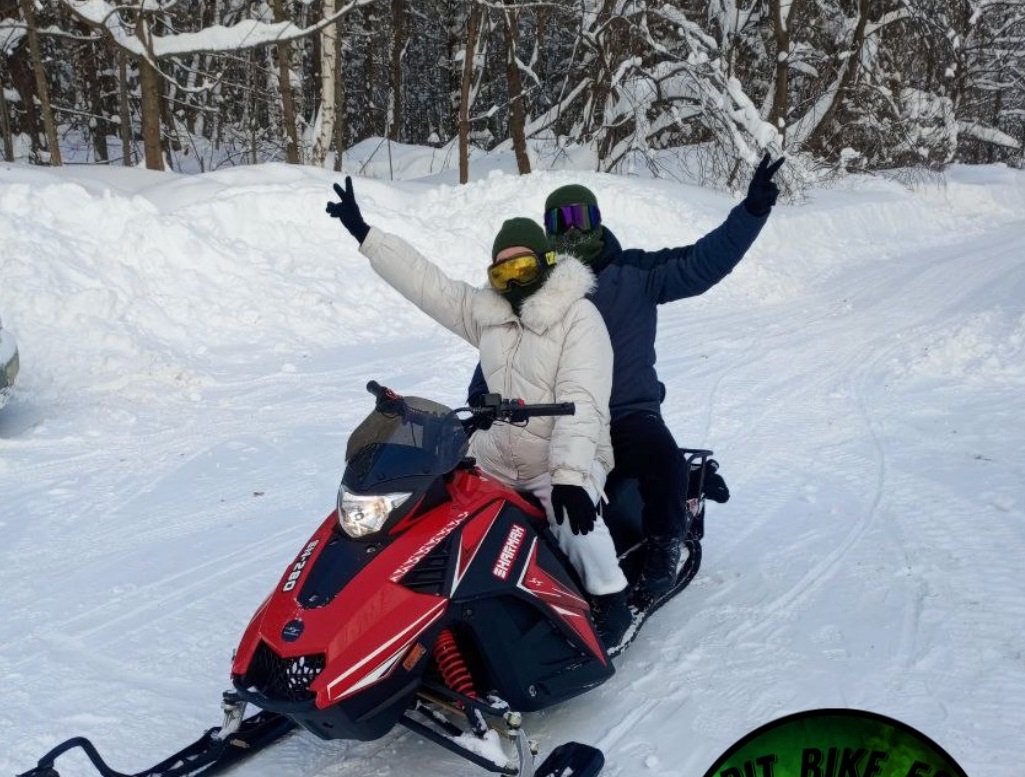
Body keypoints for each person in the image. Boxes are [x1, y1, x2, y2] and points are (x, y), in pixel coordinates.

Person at [326, 177, 632, 648]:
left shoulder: (579, 318)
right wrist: (367, 236)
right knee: (434, 507)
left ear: (546, 262)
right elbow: (429, 285)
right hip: (496, 454)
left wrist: (571, 478)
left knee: (575, 523)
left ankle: (612, 597)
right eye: (503, 273)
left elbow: (584, 400)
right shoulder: (490, 316)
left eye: (523, 267)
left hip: (560, 456)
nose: (514, 281)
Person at [468, 154, 785, 605]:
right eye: (559, 221)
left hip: (627, 413)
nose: (571, 231)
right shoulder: (540, 289)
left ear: (597, 220)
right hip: (558, 418)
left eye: (580, 217)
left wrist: (751, 212)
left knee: (664, 464)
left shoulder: (637, 272)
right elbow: (506, 346)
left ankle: (663, 549)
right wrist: (480, 396)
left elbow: (703, 262)